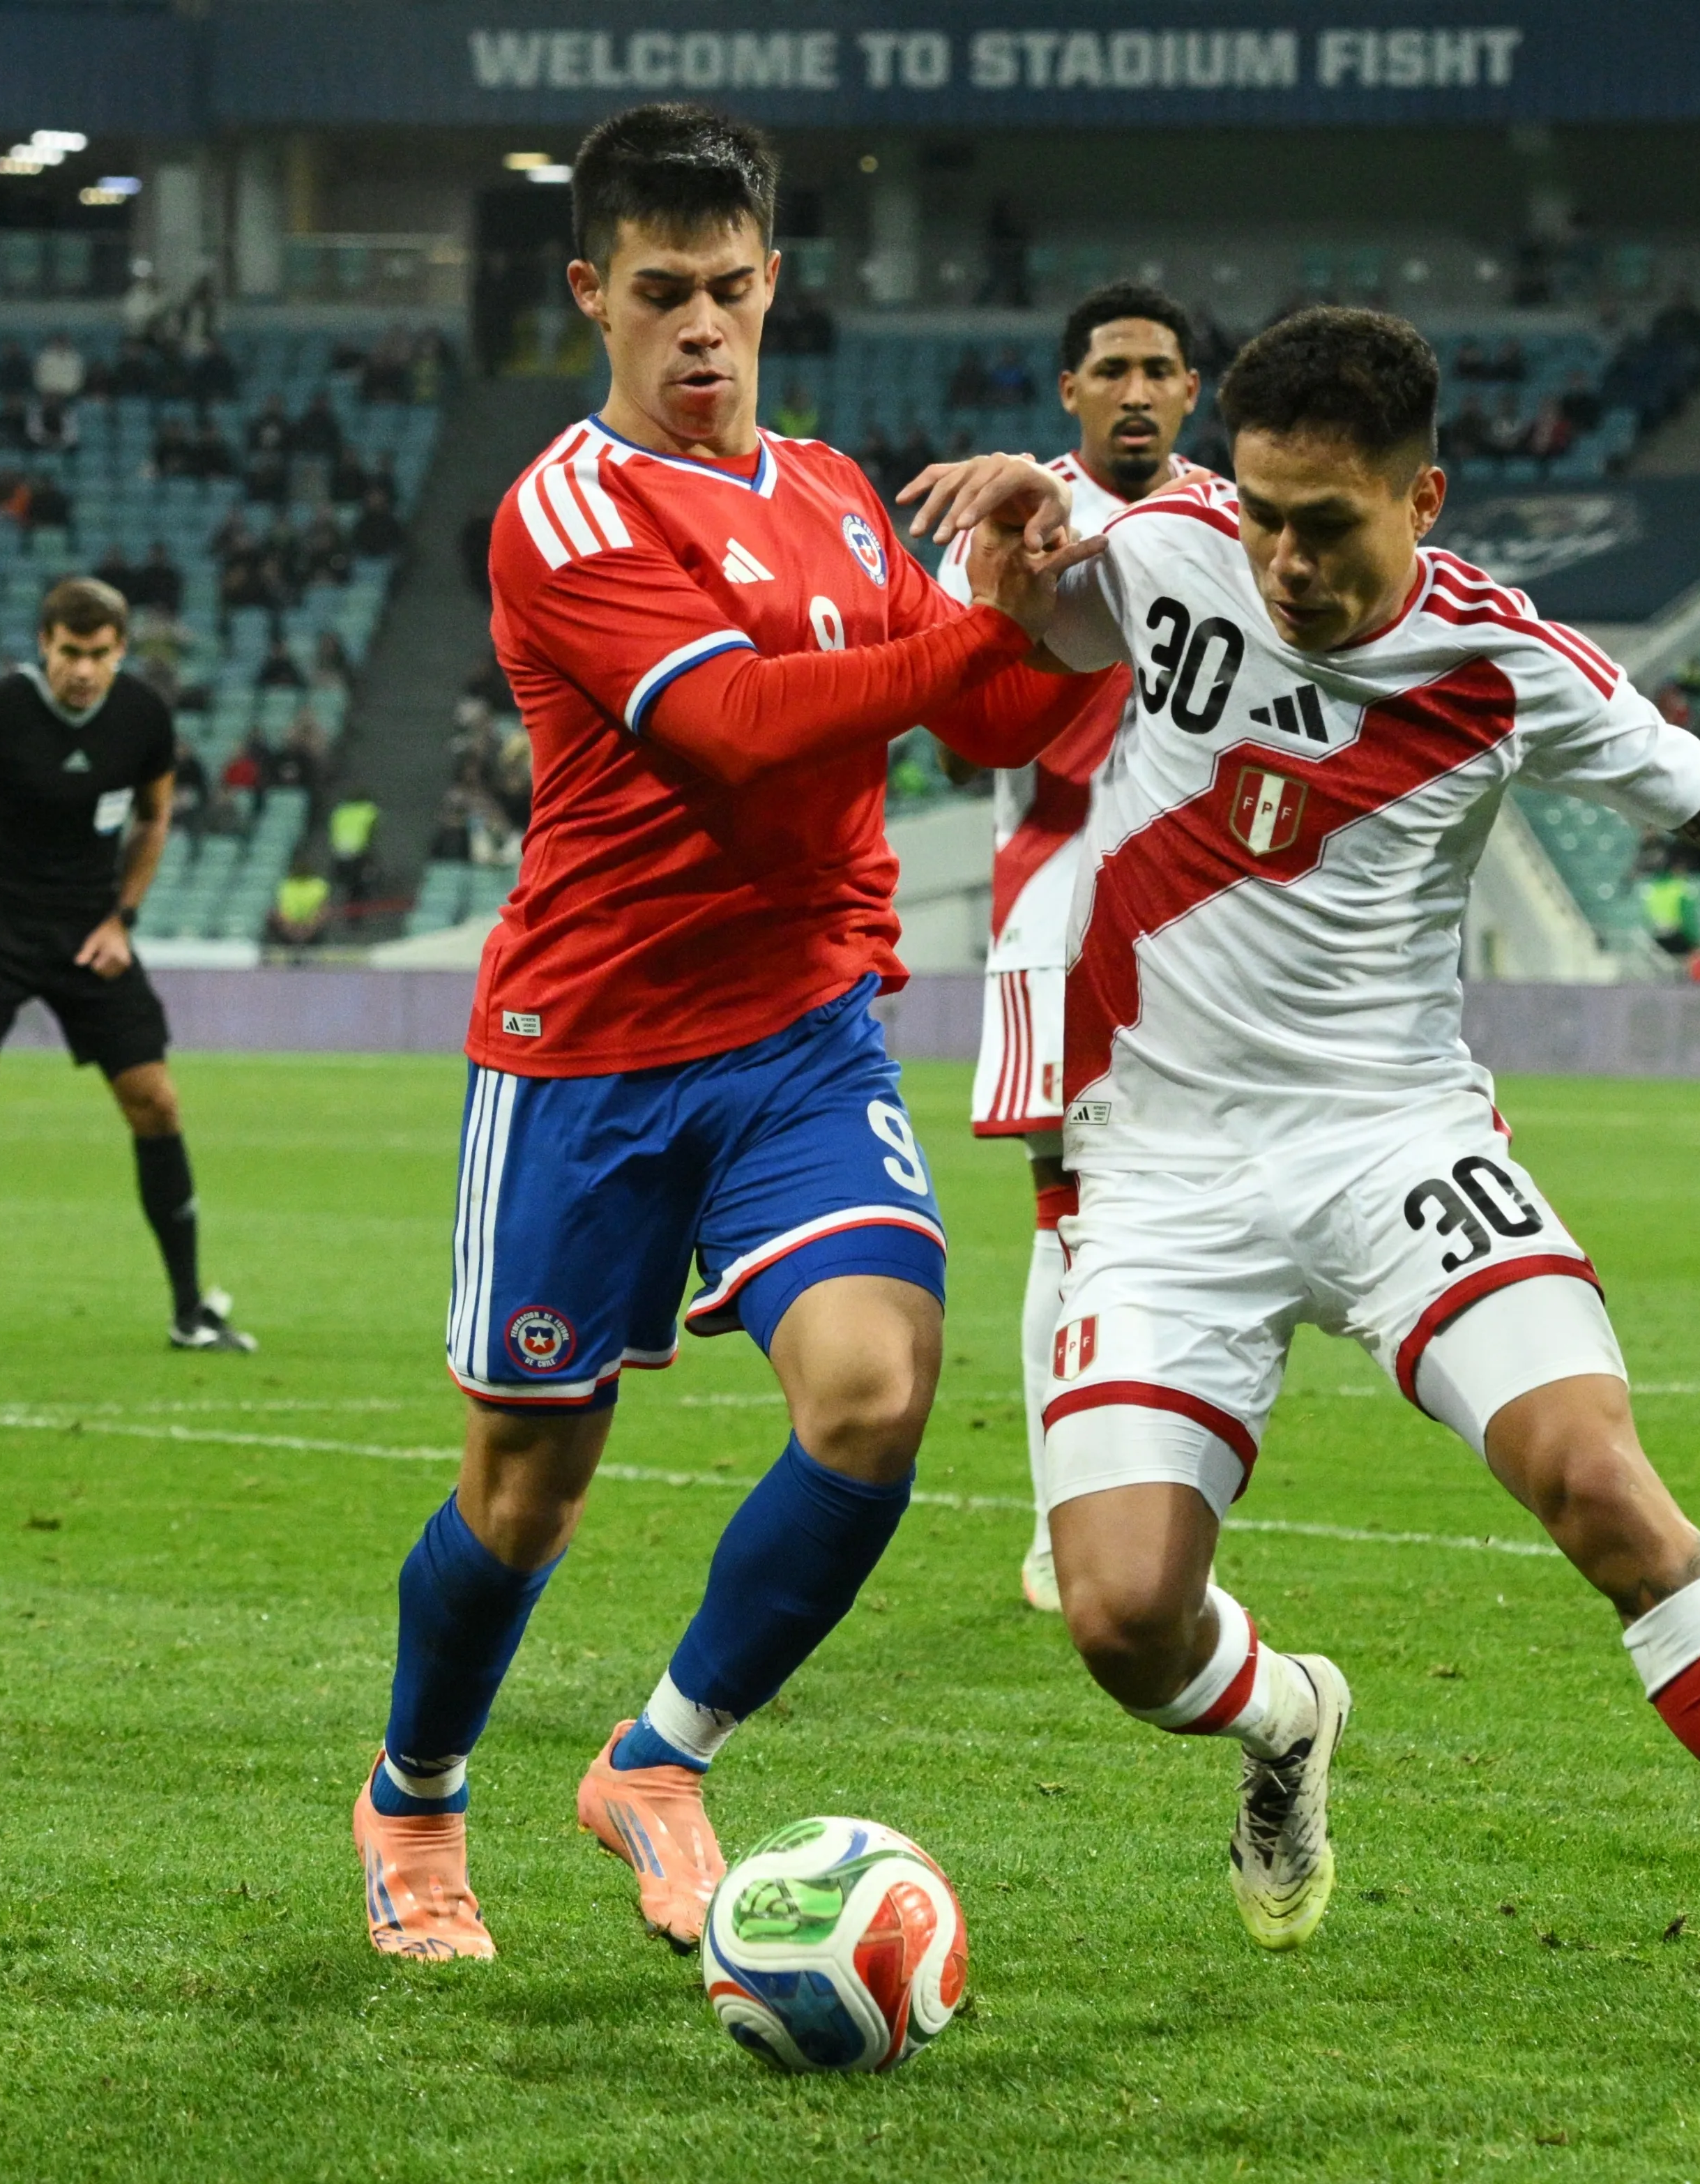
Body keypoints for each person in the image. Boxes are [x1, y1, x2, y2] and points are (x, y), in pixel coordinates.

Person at [966, 303, 1700, 2036]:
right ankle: (1288, 1717)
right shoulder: (1171, 544)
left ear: (1421, 499)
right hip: (1163, 1174)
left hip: (1397, 1144)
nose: (1284, 562)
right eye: (1264, 517)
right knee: (1126, 1619)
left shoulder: (1507, 665)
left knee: (1595, 1476)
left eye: (1326, 526)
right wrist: (1003, 550)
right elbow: (1026, 634)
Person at [351, 101, 1101, 1965]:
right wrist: (978, 633)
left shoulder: (836, 492)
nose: (701, 324)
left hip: (800, 1036)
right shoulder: (566, 511)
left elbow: (991, 723)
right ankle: (415, 1793)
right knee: (526, 1491)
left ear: (775, 283)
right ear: (590, 291)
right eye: (661, 290)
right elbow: (740, 731)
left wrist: (1053, 581)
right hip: (588, 1050)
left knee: (875, 1390)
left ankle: (659, 1759)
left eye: (730, 287)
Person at [940, 278, 1210, 1614]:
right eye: (1111, 369)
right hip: (1060, 905)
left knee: (1182, 1226)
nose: (1136, 391)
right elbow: (956, 713)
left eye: (1158, 369)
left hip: (1207, 931)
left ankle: (1143, 1511)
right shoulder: (1007, 517)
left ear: (1191, 391)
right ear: (1069, 391)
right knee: (1075, 1216)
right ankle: (1066, 1525)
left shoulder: (1233, 522)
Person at [0, 576, 253, 1355]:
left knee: (155, 1100)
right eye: (69, 652)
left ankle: (190, 1311)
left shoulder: (144, 716)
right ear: (43, 645)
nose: (83, 669)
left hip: (88, 933)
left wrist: (123, 918)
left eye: (98, 654)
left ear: (121, 651)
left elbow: (154, 818)